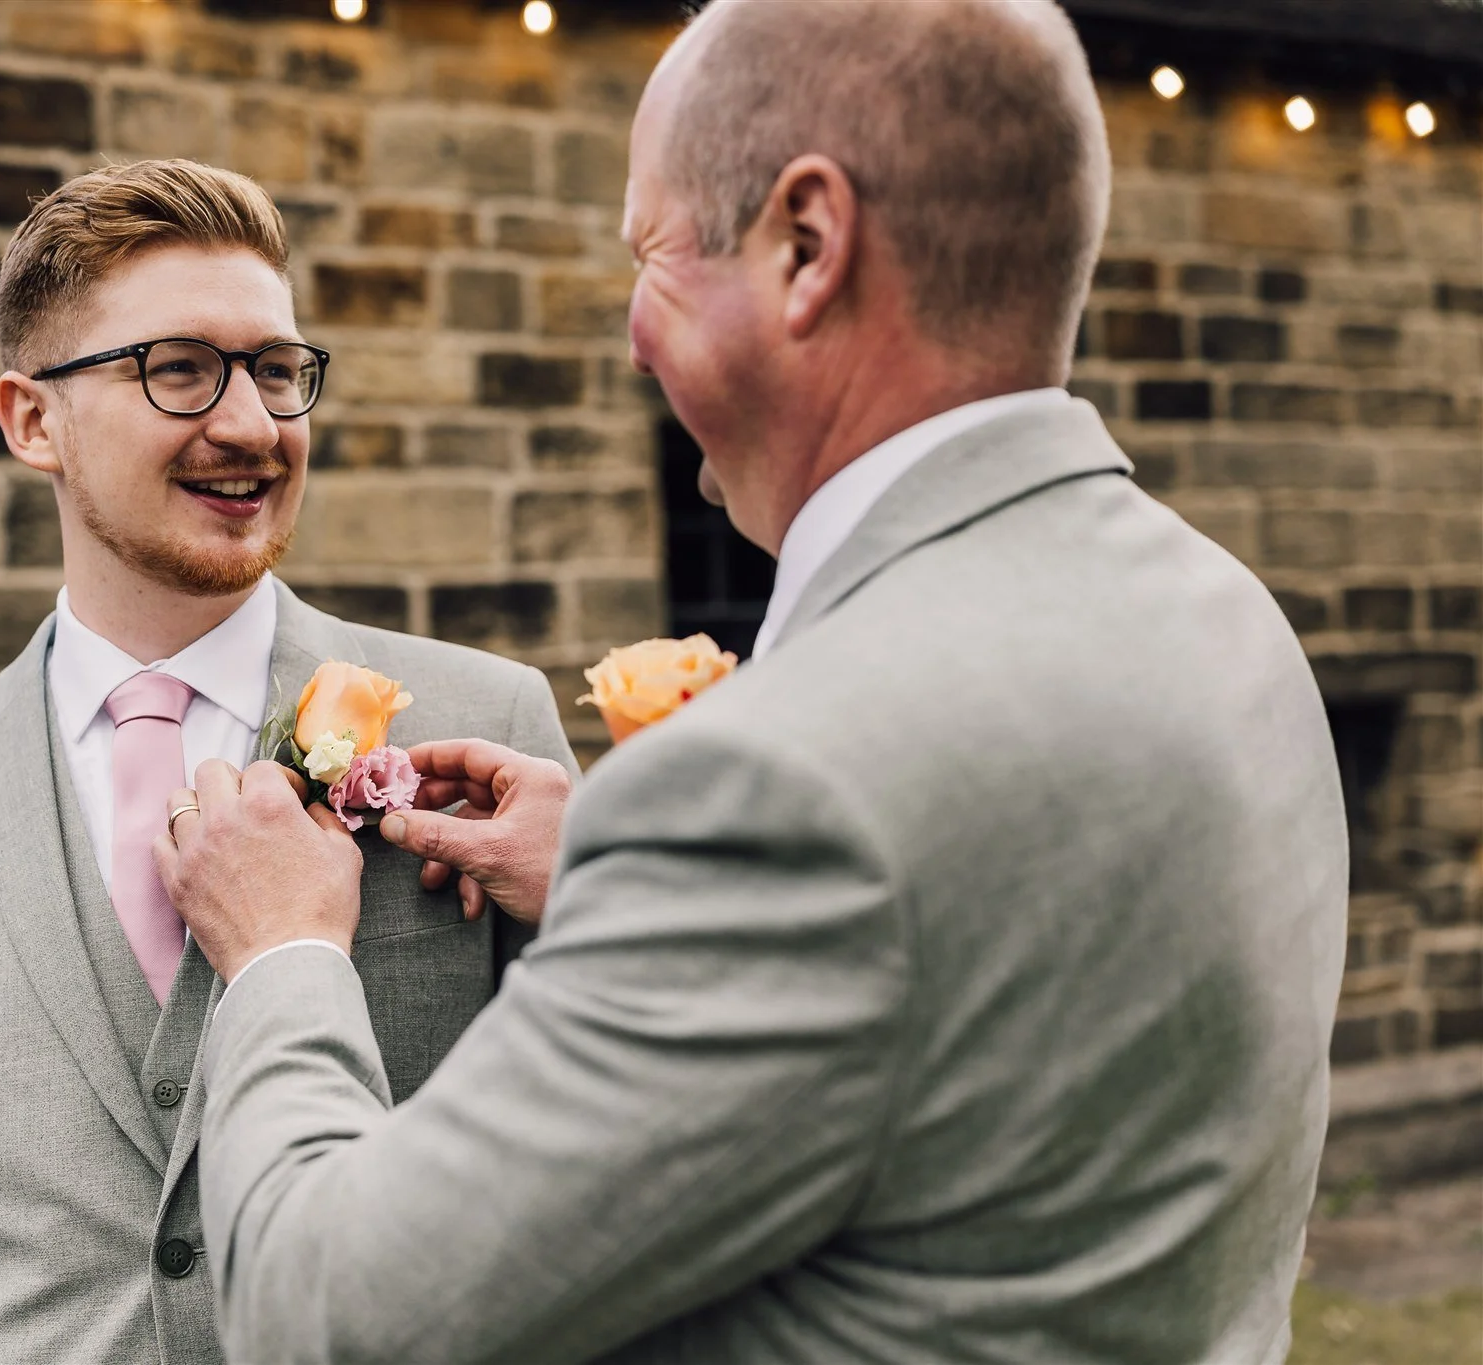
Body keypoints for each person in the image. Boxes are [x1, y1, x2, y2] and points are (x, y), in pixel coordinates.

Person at [156, 3, 1348, 1362]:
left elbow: (331, 1317)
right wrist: (619, 872)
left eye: (652, 253)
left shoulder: (784, 789)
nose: (629, 335)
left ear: (805, 246)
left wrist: (285, 954)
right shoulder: (1228, 621)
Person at [0, 160, 575, 1365]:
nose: (252, 425)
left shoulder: (485, 722)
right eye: (179, 370)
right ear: (32, 419)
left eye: (274, 370)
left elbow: (611, 1166)